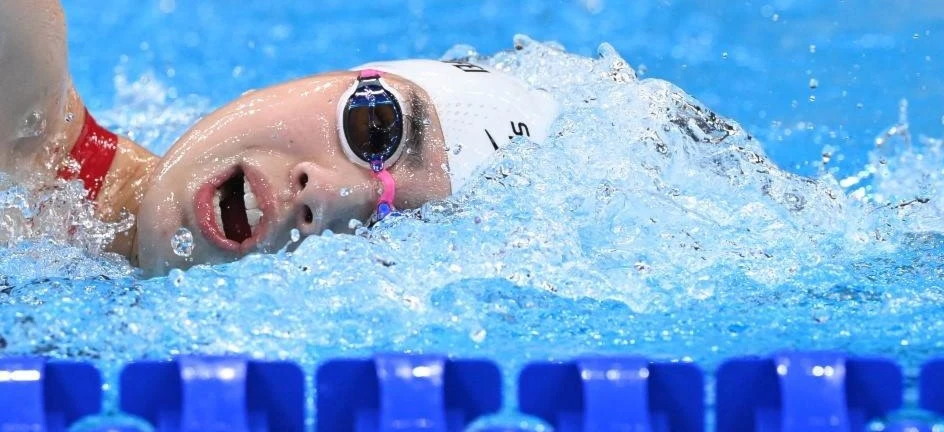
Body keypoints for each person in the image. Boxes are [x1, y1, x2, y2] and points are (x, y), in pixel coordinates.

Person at [0, 0, 560, 275]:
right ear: (318, 78)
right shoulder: (17, 78)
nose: (328, 195)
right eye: (372, 128)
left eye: (389, 231)